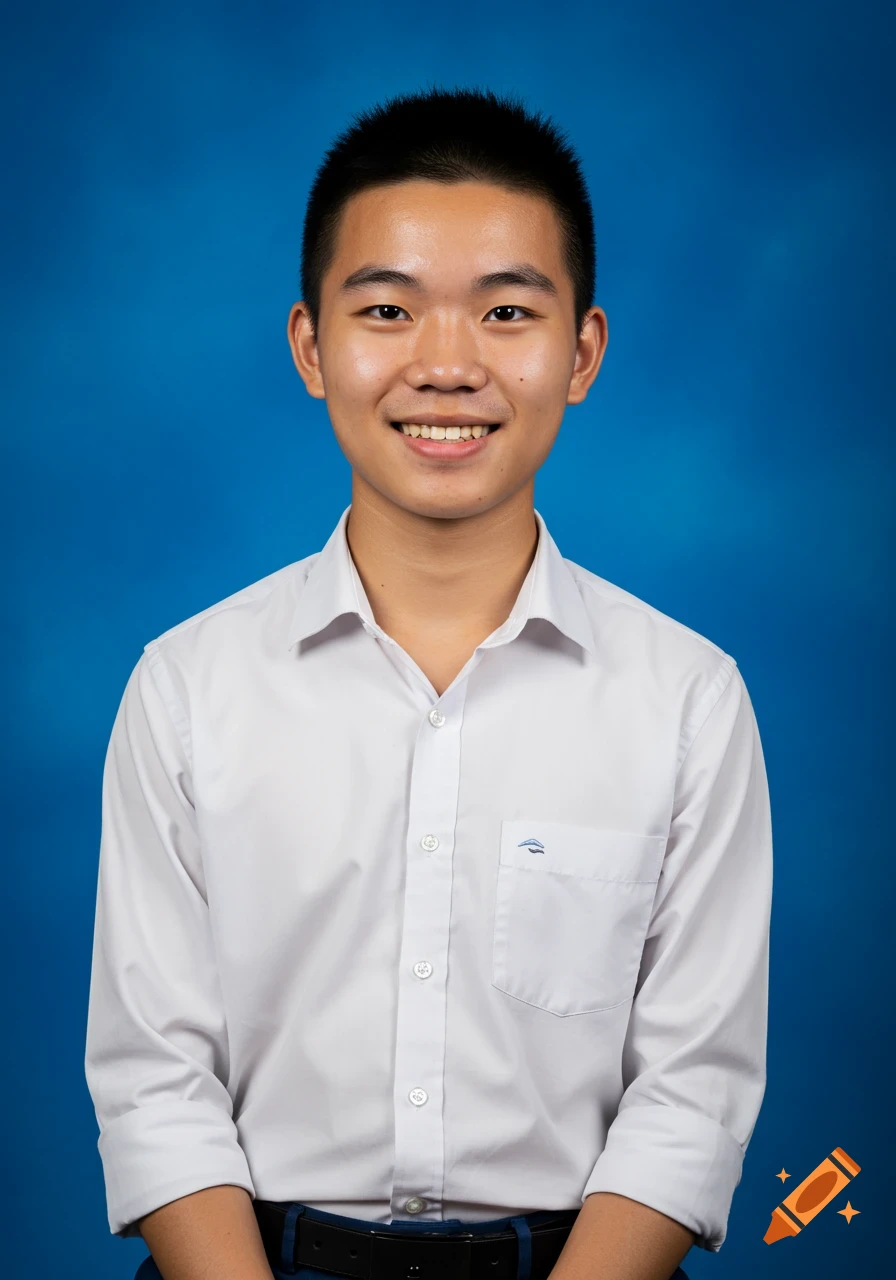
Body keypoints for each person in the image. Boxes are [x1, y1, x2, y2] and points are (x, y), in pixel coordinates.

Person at [85, 87, 772, 1280]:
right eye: (388, 308)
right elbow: (154, 1081)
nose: (445, 365)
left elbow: (688, 1097)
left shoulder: (685, 698)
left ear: (581, 352)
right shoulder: (187, 686)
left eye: (506, 309)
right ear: (311, 346)